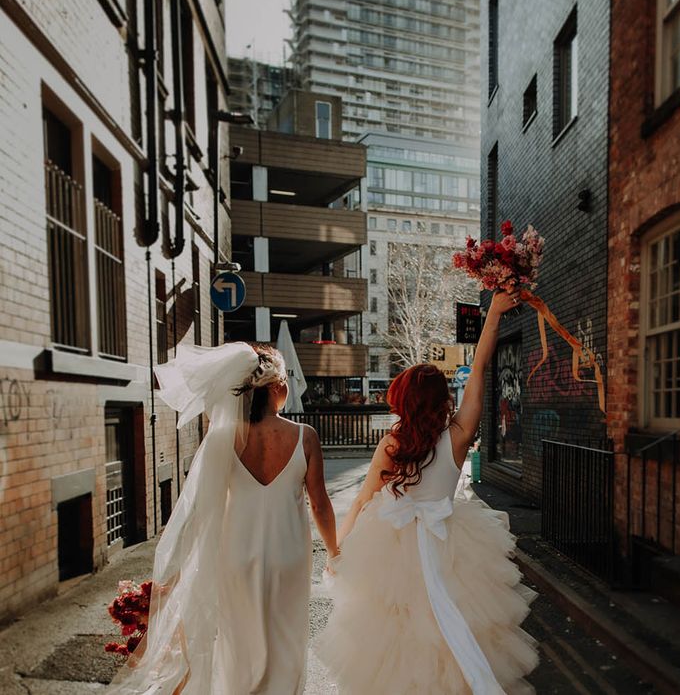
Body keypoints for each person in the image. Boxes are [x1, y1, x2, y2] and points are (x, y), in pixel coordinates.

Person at [317, 291, 538, 694]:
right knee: (454, 624)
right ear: (443, 400)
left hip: (390, 544)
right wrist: (492, 315)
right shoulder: (457, 436)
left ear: (403, 399)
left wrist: (338, 552)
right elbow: (480, 369)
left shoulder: (391, 444)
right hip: (449, 541)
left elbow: (364, 500)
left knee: (395, 630)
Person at [108, 343, 338, 694]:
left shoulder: (222, 438)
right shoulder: (305, 436)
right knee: (287, 636)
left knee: (237, 639)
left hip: (236, 554)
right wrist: (335, 552)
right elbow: (320, 504)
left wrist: (184, 569)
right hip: (289, 554)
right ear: (276, 386)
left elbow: (203, 510)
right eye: (287, 378)